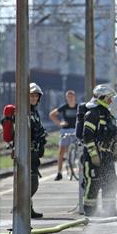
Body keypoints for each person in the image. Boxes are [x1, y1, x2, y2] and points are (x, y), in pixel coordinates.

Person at [81, 84, 117, 216]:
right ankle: (89, 210)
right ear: (102, 97)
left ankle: (109, 209)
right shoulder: (92, 114)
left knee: (111, 182)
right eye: (109, 98)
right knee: (94, 183)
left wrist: (115, 148)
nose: (111, 101)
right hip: (94, 156)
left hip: (107, 155)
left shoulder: (107, 114)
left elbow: (112, 134)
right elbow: (87, 136)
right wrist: (94, 155)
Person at [49, 90, 79, 181]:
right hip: (65, 130)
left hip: (76, 130)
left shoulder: (78, 107)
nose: (70, 98)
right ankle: (59, 172)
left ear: (75, 97)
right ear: (66, 98)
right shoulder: (64, 107)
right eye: (68, 97)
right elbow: (52, 115)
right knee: (61, 151)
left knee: (79, 150)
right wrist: (59, 123)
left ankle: (79, 169)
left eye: (72, 96)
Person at [28, 83, 48, 218]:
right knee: (32, 182)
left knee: (31, 181)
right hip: (26, 152)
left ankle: (28, 208)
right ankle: (21, 206)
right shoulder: (23, 111)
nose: (34, 98)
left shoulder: (34, 112)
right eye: (32, 95)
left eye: (36, 96)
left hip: (34, 152)